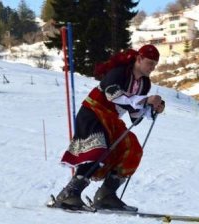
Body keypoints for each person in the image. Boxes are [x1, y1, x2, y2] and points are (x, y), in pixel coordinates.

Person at [55, 44, 165, 211]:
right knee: (98, 151)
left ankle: (106, 195)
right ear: (139, 59)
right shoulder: (120, 72)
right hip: (93, 112)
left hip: (111, 119)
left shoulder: (144, 83)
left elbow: (134, 112)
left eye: (154, 65)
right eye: (150, 63)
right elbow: (113, 96)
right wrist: (144, 101)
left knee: (132, 148)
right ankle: (70, 193)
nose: (152, 68)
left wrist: (150, 109)